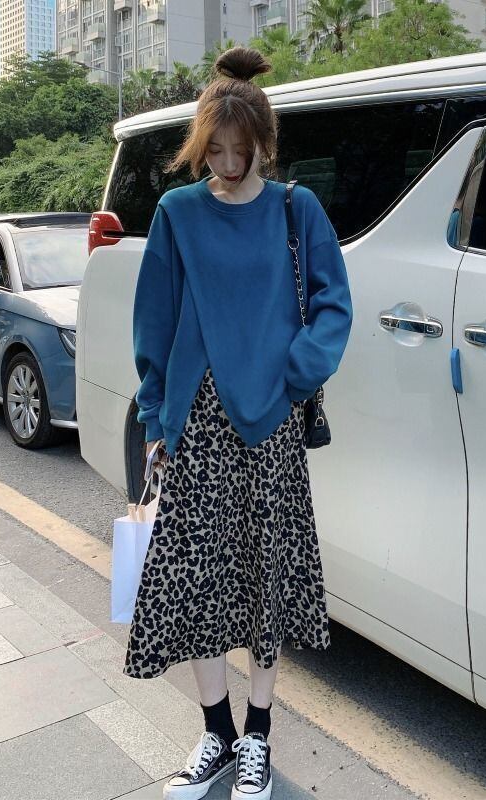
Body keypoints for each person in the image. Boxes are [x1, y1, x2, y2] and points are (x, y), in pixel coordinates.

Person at [122, 45, 353, 800]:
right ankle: (216, 735)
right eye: (214, 149)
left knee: (265, 583)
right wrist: (156, 414)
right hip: (197, 425)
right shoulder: (178, 213)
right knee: (197, 582)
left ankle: (258, 736)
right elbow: (154, 322)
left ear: (262, 142)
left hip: (271, 424)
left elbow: (333, 304)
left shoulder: (295, 208)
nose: (226, 163)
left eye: (239, 149)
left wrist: (295, 376)